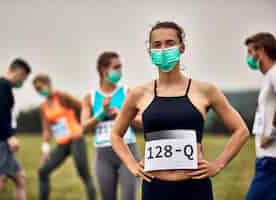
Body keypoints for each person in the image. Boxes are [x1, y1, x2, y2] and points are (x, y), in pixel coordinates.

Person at [110, 21, 249, 200]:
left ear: (181, 48)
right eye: (157, 45)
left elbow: (241, 130)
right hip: (155, 188)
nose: (163, 49)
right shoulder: (138, 94)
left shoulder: (205, 91)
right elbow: (115, 134)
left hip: (195, 188)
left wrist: (218, 165)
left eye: (170, 43)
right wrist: (132, 165)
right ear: (150, 51)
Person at [81, 52, 141, 200]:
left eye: (121, 67)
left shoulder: (128, 92)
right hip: (103, 155)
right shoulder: (90, 97)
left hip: (128, 150)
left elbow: (142, 121)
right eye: (116, 67)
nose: (120, 71)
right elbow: (83, 128)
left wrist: (122, 114)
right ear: (103, 69)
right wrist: (102, 113)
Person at [32, 74, 96, 200]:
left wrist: (86, 126)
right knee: (43, 171)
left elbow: (83, 106)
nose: (40, 91)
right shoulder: (43, 107)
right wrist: (45, 149)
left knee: (84, 174)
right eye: (37, 90)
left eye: (40, 87)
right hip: (62, 144)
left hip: (76, 140)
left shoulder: (61, 97)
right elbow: (46, 130)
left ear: (48, 84)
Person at [0, 58, 31, 200]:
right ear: (19, 72)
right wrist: (9, 136)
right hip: (1, 140)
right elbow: (0, 111)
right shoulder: (3, 85)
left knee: (20, 178)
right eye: (23, 78)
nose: (22, 82)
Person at [244, 33, 276, 200]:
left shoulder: (275, 73)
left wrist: (271, 135)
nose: (248, 57)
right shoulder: (268, 77)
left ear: (261, 51)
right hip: (266, 159)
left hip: (271, 160)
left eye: (250, 52)